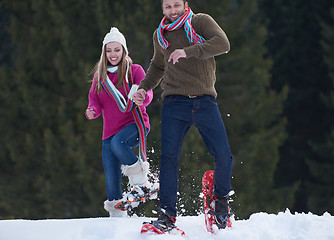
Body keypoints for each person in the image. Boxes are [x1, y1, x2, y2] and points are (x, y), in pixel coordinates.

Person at [133, 0, 233, 230]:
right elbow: (158, 66)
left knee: (223, 155)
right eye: (167, 7)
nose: (172, 10)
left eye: (176, 5)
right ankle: (167, 215)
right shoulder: (160, 34)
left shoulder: (200, 22)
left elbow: (223, 43)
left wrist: (188, 51)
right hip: (174, 103)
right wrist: (143, 88)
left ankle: (220, 202)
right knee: (168, 158)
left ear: (185, 3)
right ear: (162, 9)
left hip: (205, 101)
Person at [86, 27, 155, 217]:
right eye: (109, 50)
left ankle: (140, 181)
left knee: (119, 143)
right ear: (104, 53)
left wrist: (144, 97)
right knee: (110, 174)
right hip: (109, 130)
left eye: (117, 50)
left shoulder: (134, 70)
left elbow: (147, 91)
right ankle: (117, 216)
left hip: (134, 125)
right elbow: (95, 100)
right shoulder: (100, 77)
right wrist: (92, 110)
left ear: (124, 50)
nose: (113, 54)